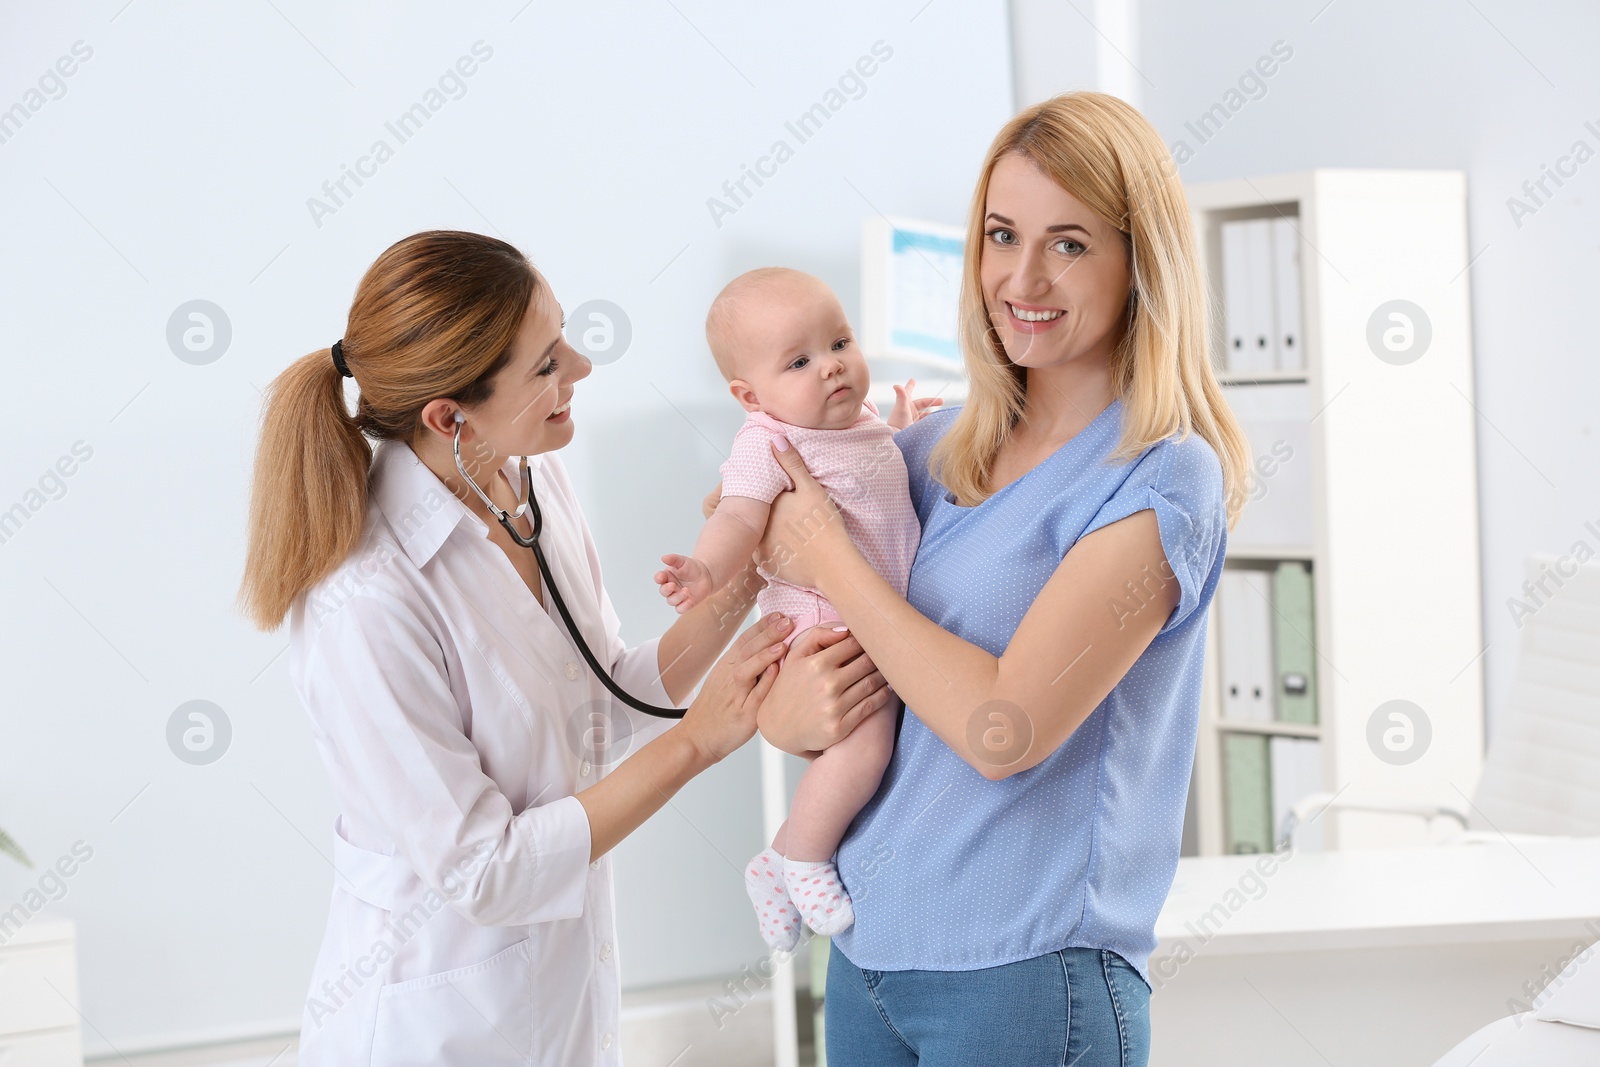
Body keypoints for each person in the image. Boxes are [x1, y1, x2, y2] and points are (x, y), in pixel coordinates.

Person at [236, 230, 892, 1067]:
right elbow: (485, 869)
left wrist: (764, 555)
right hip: (433, 1030)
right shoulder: (364, 600)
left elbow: (607, 691)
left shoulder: (526, 477)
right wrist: (699, 740)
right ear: (449, 416)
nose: (580, 369)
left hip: (562, 1005)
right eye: (547, 363)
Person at [751, 92, 1252, 1067]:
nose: (1022, 277)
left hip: (1027, 974)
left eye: (1069, 244)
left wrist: (833, 564)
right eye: (1000, 235)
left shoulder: (1159, 474)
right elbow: (794, 652)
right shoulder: (933, 448)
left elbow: (1004, 730)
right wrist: (793, 707)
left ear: (1137, 260)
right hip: (866, 956)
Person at [652, 267, 941, 950]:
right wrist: (704, 569)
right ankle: (805, 856)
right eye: (801, 361)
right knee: (866, 745)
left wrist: (899, 426)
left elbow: (875, 483)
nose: (833, 368)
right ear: (751, 396)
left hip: (867, 614)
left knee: (872, 746)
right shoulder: (767, 442)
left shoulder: (858, 421)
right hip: (822, 622)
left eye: (840, 343)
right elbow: (736, 517)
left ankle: (775, 857)